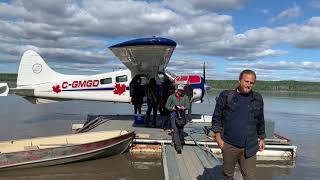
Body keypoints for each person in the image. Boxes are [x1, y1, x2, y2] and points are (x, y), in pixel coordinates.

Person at [211, 69, 265, 180]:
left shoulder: (258, 98)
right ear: (239, 80)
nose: (248, 85)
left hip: (249, 146)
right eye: (246, 81)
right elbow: (217, 117)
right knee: (227, 176)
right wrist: (218, 137)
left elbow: (260, 119)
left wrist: (262, 138)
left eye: (251, 83)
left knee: (250, 177)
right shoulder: (226, 96)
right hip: (229, 144)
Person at [165, 84, 190, 154]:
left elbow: (188, 106)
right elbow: (167, 106)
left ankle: (174, 141)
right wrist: (172, 108)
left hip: (182, 116)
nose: (180, 91)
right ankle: (178, 147)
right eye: (179, 90)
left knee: (180, 130)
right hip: (174, 115)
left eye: (181, 90)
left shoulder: (185, 97)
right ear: (176, 90)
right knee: (175, 130)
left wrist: (184, 107)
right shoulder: (171, 97)